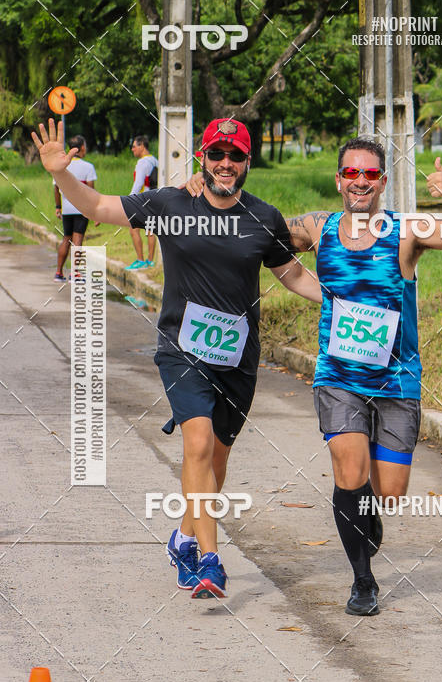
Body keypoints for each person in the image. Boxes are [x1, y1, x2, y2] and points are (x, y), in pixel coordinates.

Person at [32, 116, 321, 600]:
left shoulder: (263, 217)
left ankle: (185, 537)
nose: (225, 163)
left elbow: (291, 274)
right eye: (216, 154)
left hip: (239, 358)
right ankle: (210, 559)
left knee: (217, 461)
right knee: (198, 446)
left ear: (248, 162)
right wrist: (62, 174)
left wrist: (339, 301)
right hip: (182, 351)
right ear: (201, 158)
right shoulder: (170, 204)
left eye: (235, 156)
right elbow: (99, 206)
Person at [286, 139, 442, 616]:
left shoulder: (406, 230)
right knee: (348, 469)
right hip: (338, 373)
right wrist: (200, 190)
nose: (360, 180)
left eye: (371, 174)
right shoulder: (319, 227)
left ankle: (368, 517)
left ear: (382, 181)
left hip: (397, 378)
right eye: (351, 172)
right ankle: (363, 581)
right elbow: (256, 236)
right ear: (338, 178)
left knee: (389, 493)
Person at [52, 135, 96, 282]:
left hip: (66, 209)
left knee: (66, 239)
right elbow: (91, 191)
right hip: (82, 208)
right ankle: (75, 274)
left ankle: (58, 273)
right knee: (77, 240)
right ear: (81, 148)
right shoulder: (88, 166)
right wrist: (94, 211)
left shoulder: (61, 166)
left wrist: (58, 207)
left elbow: (56, 188)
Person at [126, 134, 158, 270]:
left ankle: (140, 260)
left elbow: (138, 184)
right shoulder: (155, 160)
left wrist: (129, 200)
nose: (132, 149)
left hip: (141, 201)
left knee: (133, 229)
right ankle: (150, 261)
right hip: (153, 199)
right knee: (150, 230)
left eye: (134, 147)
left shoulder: (142, 163)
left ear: (142, 146)